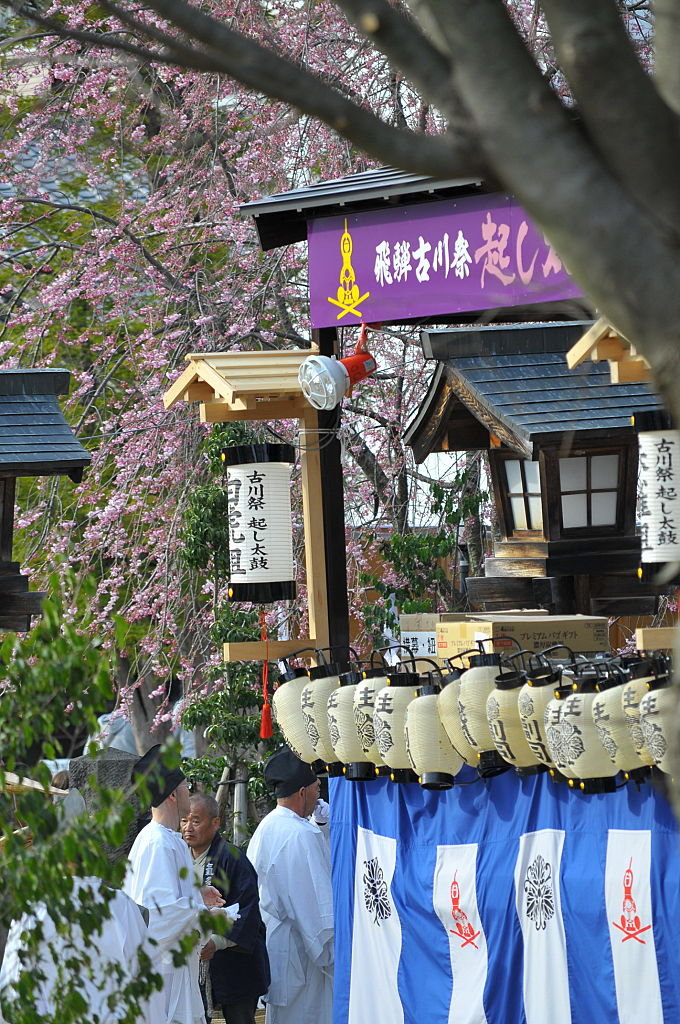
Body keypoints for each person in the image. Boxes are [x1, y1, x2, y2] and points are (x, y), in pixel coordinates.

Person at [123, 745, 227, 1024]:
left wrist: (198, 895)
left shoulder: (168, 839)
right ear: (171, 794)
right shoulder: (157, 843)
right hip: (163, 976)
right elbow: (157, 918)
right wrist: (199, 905)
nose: (189, 792)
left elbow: (170, 902)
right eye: (185, 786)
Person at [246, 746, 334, 1024]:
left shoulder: (269, 825)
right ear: (301, 792)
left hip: (282, 951)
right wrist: (333, 958)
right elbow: (313, 913)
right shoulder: (298, 835)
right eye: (314, 783)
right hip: (303, 957)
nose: (320, 785)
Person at [181, 793, 270, 1024]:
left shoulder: (233, 858)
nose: (188, 828)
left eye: (196, 821)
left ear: (216, 822)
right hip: (196, 965)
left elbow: (248, 912)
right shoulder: (178, 857)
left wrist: (217, 942)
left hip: (235, 967)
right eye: (184, 820)